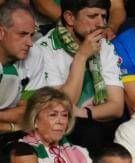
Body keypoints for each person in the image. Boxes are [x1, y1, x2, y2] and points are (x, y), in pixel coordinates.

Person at [24, 0, 125, 147]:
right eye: (92, 16)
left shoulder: (105, 46)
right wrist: (81, 56)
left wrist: (85, 113)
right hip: (59, 129)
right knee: (89, 132)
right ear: (70, 18)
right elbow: (61, 105)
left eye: (103, 17)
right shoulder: (44, 50)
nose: (100, 24)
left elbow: (116, 107)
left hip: (91, 121)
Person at [21, 88, 95, 163]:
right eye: (53, 115)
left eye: (64, 115)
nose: (60, 121)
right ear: (35, 120)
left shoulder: (80, 152)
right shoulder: (21, 151)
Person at [0, 4, 36, 131]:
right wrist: (12, 127)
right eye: (22, 34)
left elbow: (26, 111)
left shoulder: (34, 57)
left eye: (31, 35)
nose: (30, 43)